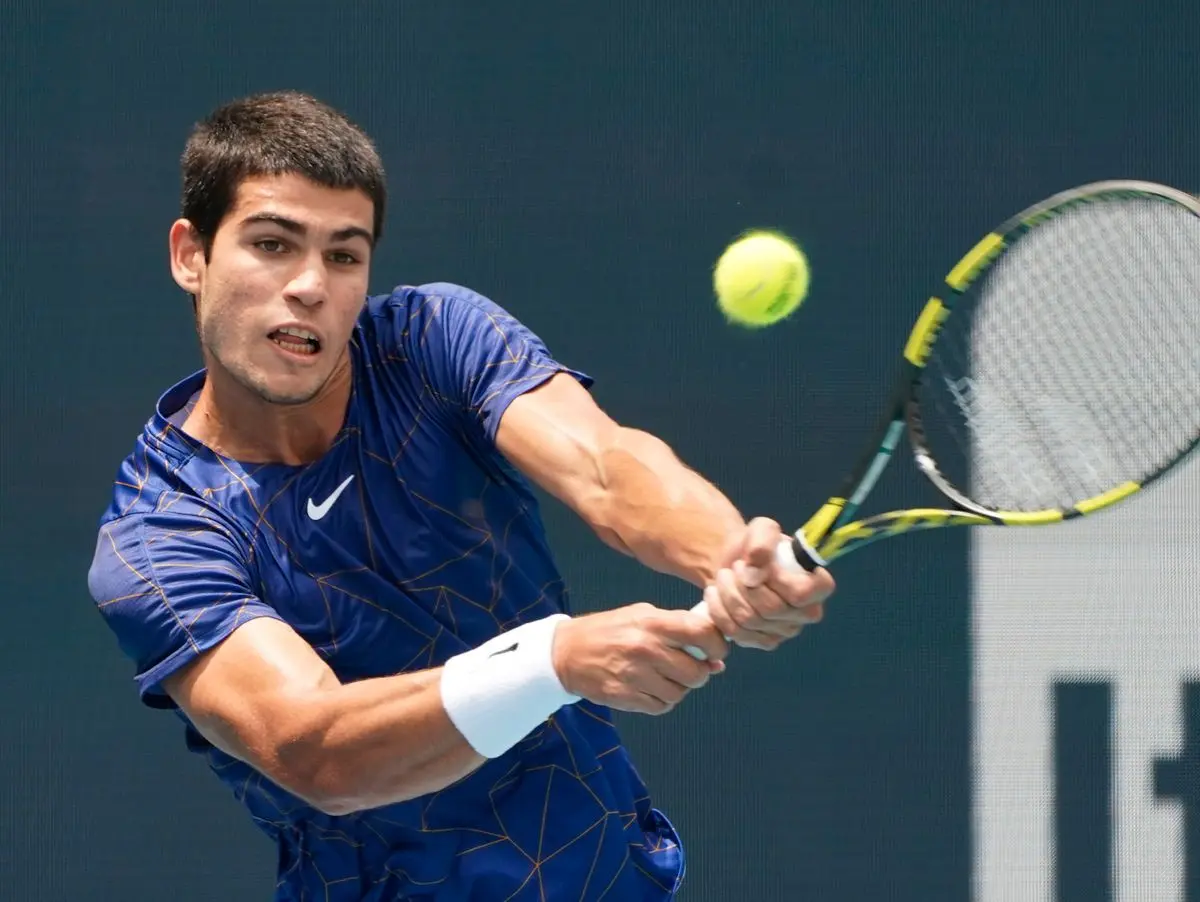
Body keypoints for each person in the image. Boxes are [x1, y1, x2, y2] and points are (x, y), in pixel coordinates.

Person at [86, 91, 834, 902]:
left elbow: (606, 466)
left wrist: (728, 556)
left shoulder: (430, 341)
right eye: (272, 244)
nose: (310, 286)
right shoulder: (159, 535)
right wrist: (553, 661)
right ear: (190, 255)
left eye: (345, 256)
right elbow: (316, 749)